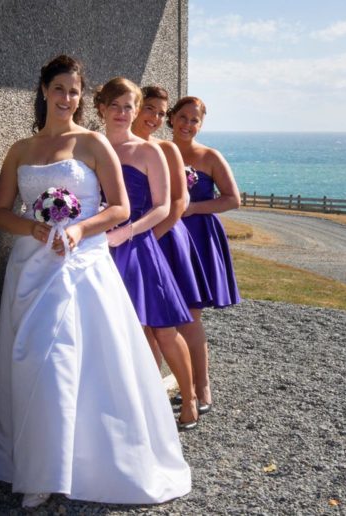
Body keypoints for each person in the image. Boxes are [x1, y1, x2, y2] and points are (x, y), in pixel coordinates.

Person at [0, 55, 191, 509]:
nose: (67, 98)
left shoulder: (93, 143)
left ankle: (79, 465)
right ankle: (36, 465)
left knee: (73, 362)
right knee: (33, 359)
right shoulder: (21, 149)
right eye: (59, 89)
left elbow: (118, 208)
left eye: (74, 91)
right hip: (31, 265)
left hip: (81, 264)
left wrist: (77, 229)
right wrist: (33, 228)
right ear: (44, 90)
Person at [93, 78, 199, 430]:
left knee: (164, 329)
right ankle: (138, 407)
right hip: (101, 251)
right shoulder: (91, 147)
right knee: (126, 334)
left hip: (138, 248)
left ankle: (191, 398)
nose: (123, 113)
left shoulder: (148, 151)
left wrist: (128, 232)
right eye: (116, 106)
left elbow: (163, 207)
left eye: (129, 107)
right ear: (102, 109)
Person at [132, 86, 215, 415]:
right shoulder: (114, 146)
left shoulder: (167, 150)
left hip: (164, 239)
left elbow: (179, 202)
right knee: (143, 324)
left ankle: (198, 389)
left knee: (180, 320)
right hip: (130, 243)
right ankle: (150, 395)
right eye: (149, 109)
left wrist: (150, 236)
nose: (154, 117)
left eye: (160, 113)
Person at [168, 96, 241, 412]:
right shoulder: (158, 150)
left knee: (190, 317)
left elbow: (232, 199)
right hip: (165, 237)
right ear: (172, 118)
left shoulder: (210, 156)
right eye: (182, 117)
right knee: (164, 318)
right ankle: (181, 386)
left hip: (197, 239)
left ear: (201, 124)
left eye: (194, 120)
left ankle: (202, 389)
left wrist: (192, 208)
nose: (187, 124)